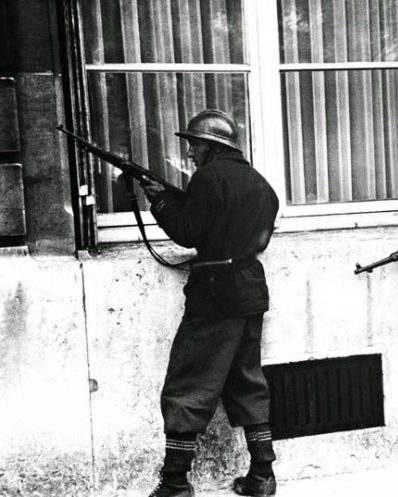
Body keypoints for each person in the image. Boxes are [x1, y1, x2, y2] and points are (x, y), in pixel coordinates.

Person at [138, 109, 280, 496]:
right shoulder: (260, 184)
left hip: (215, 295)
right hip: (250, 290)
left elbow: (189, 232)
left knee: (189, 385)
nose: (190, 154)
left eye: (194, 145)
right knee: (247, 381)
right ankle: (263, 476)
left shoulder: (208, 178)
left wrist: (160, 203)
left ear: (213, 146)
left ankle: (175, 483)